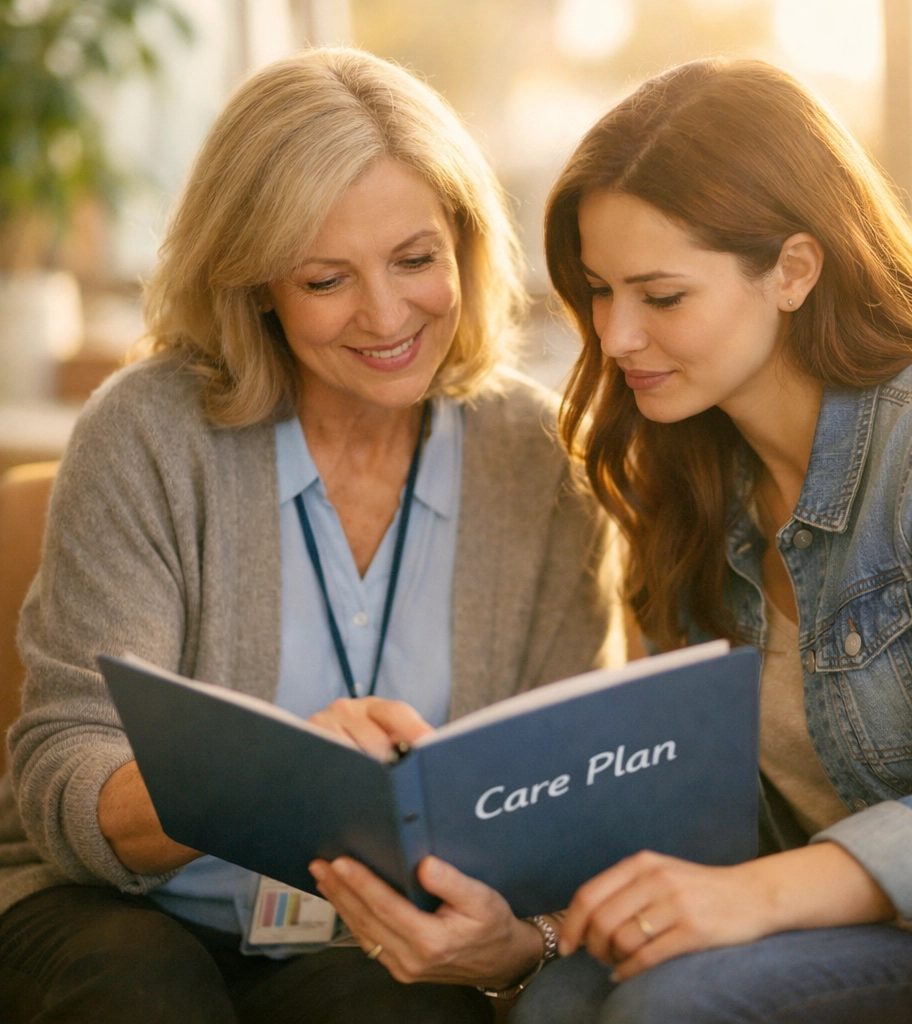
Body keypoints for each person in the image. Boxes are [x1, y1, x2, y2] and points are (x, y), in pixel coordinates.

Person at [0, 47, 623, 1023]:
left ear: (462, 244)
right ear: (255, 284)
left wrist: (505, 934)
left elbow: (556, 799)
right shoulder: (146, 431)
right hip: (118, 907)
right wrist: (268, 775)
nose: (386, 315)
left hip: (372, 942)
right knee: (140, 989)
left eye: (417, 260)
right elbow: (62, 773)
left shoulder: (534, 457)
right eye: (327, 277)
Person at [511, 56, 912, 1024]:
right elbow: (698, 798)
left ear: (792, 269)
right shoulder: (691, 472)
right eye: (596, 291)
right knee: (559, 1000)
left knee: (668, 1006)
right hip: (811, 911)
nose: (615, 337)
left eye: (661, 298)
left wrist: (749, 897)